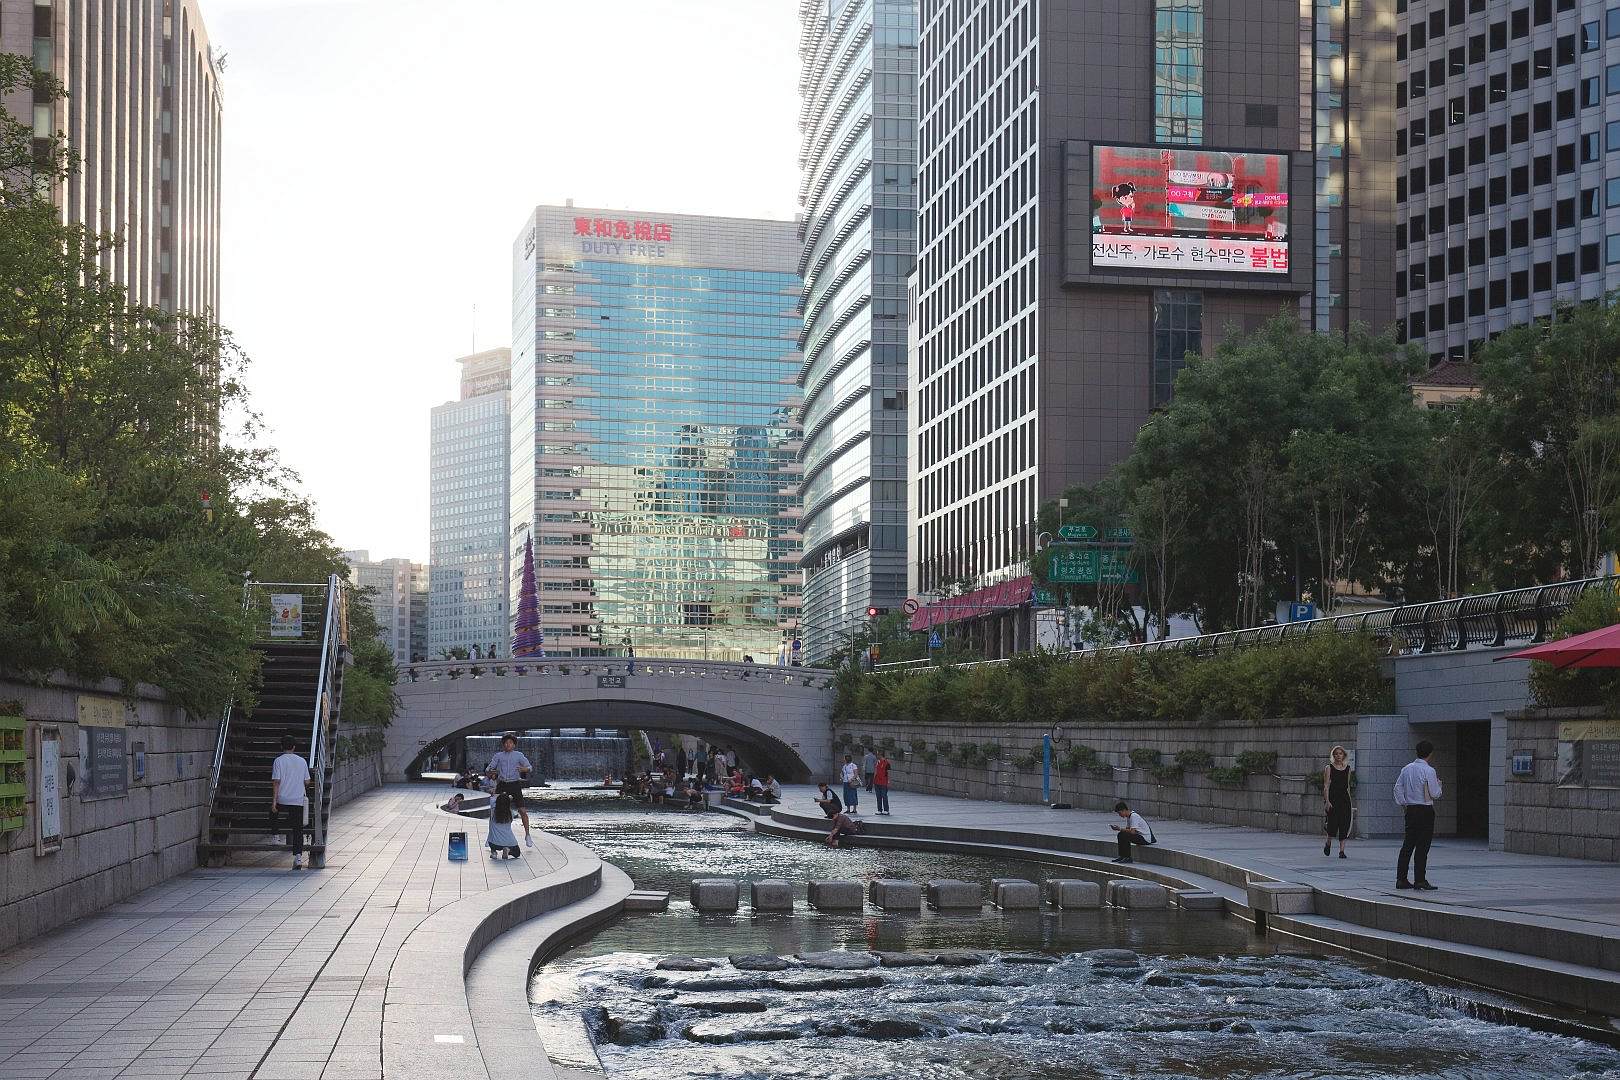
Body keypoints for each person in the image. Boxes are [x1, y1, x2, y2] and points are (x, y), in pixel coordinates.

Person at [1395, 740, 1442, 891]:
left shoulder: (1406, 769)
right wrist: (1439, 786)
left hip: (1411, 809)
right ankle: (1420, 880)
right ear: (1430, 753)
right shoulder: (1429, 770)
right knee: (1422, 846)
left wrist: (1404, 803)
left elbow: (1397, 788)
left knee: (1408, 845)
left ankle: (1401, 879)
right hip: (1425, 810)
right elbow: (1435, 793)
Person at [270, 735, 312, 869]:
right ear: (294, 747)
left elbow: (276, 782)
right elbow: (307, 781)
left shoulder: (278, 761)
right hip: (297, 799)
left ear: (281, 747)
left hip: (282, 798)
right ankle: (298, 857)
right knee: (298, 828)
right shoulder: (302, 761)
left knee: (272, 812)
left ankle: (275, 836)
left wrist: (274, 801)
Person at [486, 734, 535, 847]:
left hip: (515, 784)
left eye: (510, 743)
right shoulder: (498, 755)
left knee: (522, 811)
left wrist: (524, 769)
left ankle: (527, 835)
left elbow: (530, 767)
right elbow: (489, 768)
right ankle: (490, 836)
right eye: (506, 743)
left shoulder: (519, 755)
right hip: (502, 784)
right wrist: (490, 771)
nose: (508, 745)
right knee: (493, 810)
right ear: (503, 744)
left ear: (514, 745)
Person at [1322, 745, 1354, 859]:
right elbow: (1326, 786)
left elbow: (1347, 786)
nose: (1338, 756)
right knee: (1332, 823)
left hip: (1344, 800)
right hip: (1333, 799)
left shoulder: (1348, 768)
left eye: (1340, 753)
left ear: (1344, 755)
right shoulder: (1329, 768)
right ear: (1333, 756)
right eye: (1336, 754)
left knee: (1344, 824)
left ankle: (1342, 851)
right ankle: (1328, 842)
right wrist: (1327, 801)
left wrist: (1350, 802)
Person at [487, 793, 521, 860]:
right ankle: (507, 850)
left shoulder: (492, 811)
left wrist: (499, 797)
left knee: (491, 840)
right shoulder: (510, 813)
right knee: (517, 853)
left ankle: (494, 852)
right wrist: (508, 798)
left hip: (494, 843)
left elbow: (492, 799)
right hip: (509, 842)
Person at [873, 751, 892, 815]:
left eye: (878, 755)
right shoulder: (877, 762)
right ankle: (879, 809)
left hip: (884, 782)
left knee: (884, 796)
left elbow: (889, 772)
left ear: (881, 755)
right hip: (877, 781)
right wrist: (874, 780)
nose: (877, 756)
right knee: (878, 796)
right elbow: (876, 771)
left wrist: (888, 781)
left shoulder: (887, 763)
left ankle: (886, 810)